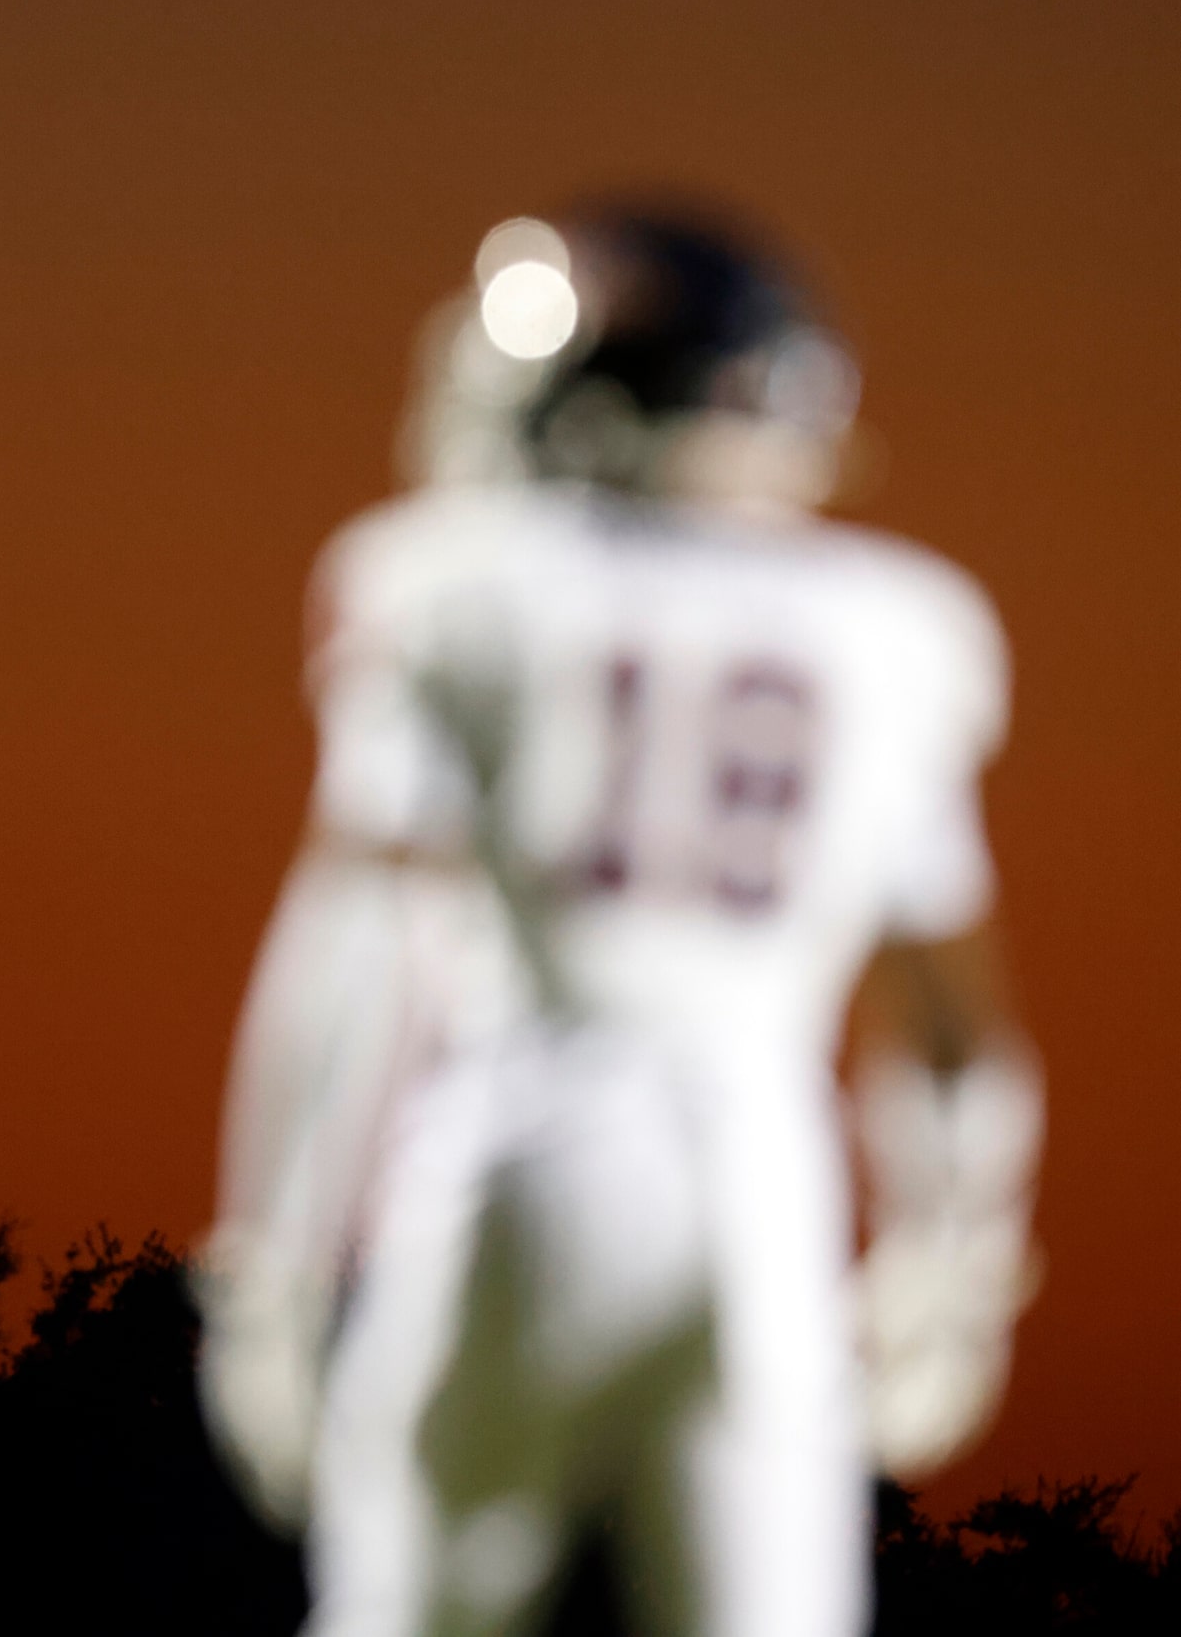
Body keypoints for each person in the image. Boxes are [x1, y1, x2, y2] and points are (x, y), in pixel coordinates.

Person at [194, 207, 1042, 1637]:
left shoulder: (452, 582)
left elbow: (351, 947)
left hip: (515, 1150)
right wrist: (952, 1252)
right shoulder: (900, 626)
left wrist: (273, 1260)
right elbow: (947, 1016)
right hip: (769, 1185)